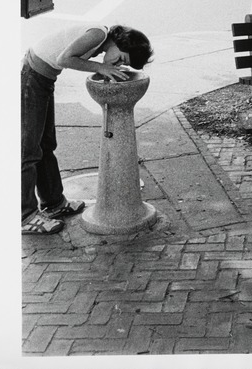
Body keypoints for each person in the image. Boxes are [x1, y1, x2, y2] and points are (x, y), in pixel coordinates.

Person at [21, 24, 153, 234]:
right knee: (28, 150)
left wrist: (106, 67)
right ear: (120, 43)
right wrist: (101, 68)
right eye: (120, 58)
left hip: (43, 78)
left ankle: (54, 203)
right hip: (32, 76)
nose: (116, 64)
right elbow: (63, 59)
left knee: (46, 145)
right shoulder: (98, 33)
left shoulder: (103, 44)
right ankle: (25, 216)